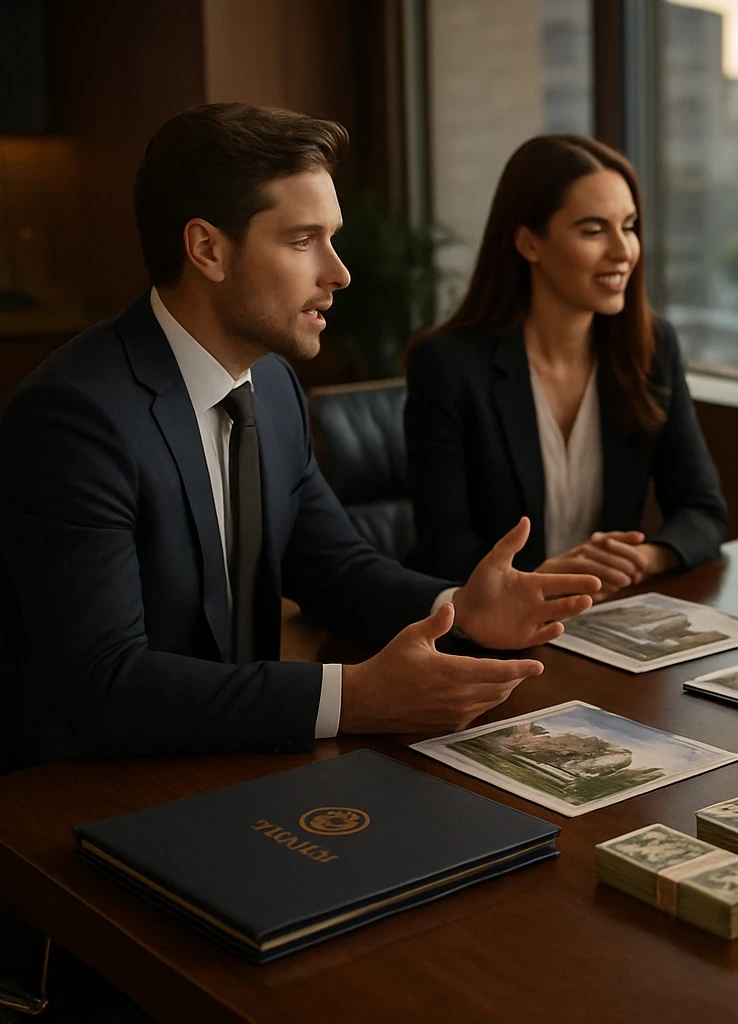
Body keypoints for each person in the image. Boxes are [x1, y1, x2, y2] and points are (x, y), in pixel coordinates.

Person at [0, 104, 604, 770]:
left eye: (332, 238)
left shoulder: (274, 387)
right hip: (78, 795)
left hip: (231, 763)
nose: (338, 272)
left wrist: (459, 608)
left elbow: (336, 567)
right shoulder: (74, 419)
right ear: (208, 250)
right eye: (301, 240)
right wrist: (355, 697)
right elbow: (106, 687)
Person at [405, 135, 727, 602]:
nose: (623, 251)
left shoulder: (652, 348)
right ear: (529, 242)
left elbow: (703, 509)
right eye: (593, 230)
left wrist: (644, 558)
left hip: (605, 619)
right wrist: (544, 576)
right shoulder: (449, 365)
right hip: (491, 627)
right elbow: (442, 547)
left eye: (630, 226)